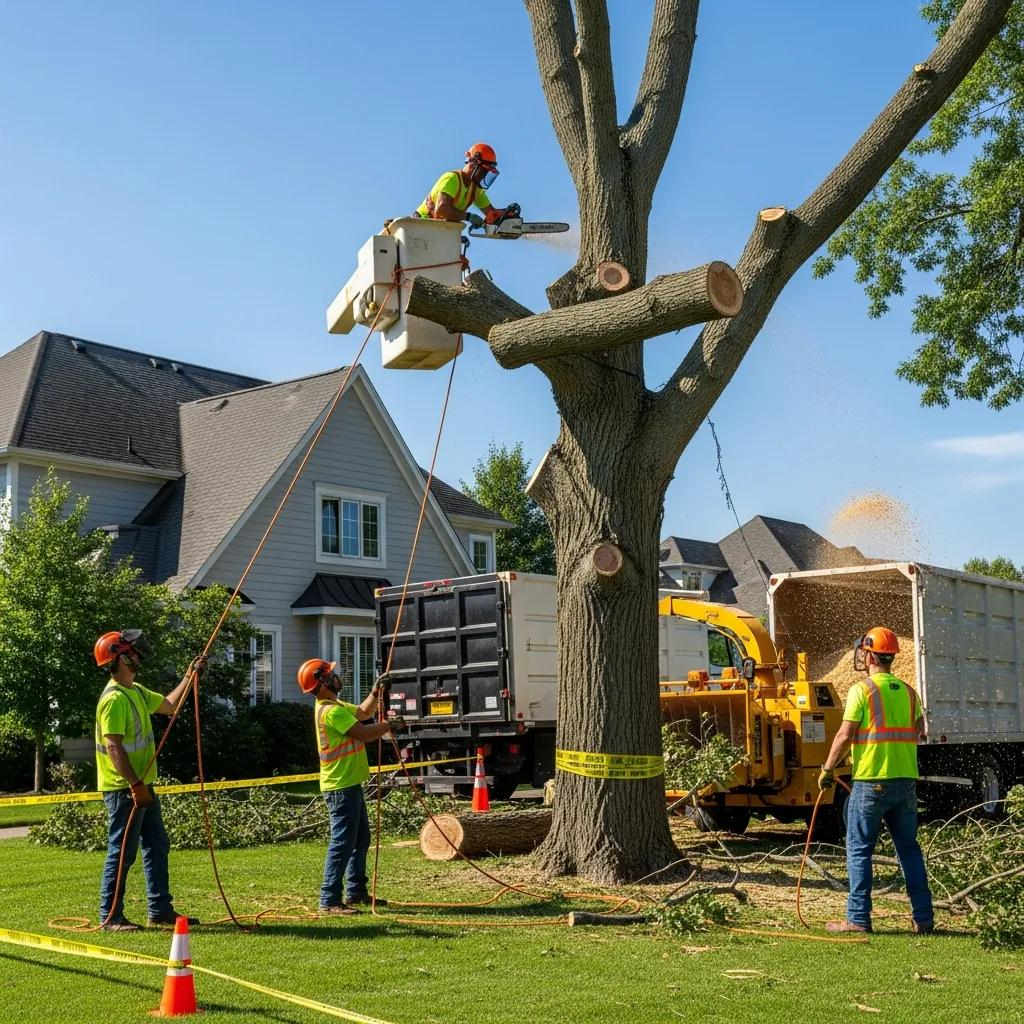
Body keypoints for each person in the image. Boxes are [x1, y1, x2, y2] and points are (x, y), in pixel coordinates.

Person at [818, 626, 934, 934]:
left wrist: (827, 769)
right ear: (892, 657)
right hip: (905, 781)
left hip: (871, 782)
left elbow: (845, 734)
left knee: (859, 849)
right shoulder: (910, 693)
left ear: (869, 655)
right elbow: (921, 731)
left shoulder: (862, 690)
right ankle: (923, 918)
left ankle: (857, 918)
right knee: (909, 849)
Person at [93, 629, 204, 931]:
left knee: (157, 844)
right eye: (133, 651)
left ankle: (160, 910)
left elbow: (169, 706)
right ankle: (110, 916)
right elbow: (113, 745)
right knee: (123, 851)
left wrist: (188, 676)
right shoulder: (114, 699)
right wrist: (135, 785)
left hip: (143, 785)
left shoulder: (137, 691)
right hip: (125, 789)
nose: (138, 654)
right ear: (120, 658)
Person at [297, 658, 404, 914]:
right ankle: (329, 899)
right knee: (343, 842)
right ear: (322, 683)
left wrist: (375, 692)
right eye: (331, 674)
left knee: (360, 839)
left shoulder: (334, 705)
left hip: (348, 784)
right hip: (340, 786)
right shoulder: (331, 711)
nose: (337, 677)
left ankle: (356, 892)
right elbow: (364, 733)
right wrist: (389, 725)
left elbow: (364, 713)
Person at [416, 142, 509, 229]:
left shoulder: (475, 189)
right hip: (419, 226)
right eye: (484, 171)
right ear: (474, 163)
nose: (483, 176)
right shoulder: (452, 179)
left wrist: (504, 215)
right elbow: (441, 209)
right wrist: (468, 216)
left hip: (438, 231)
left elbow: (490, 213)